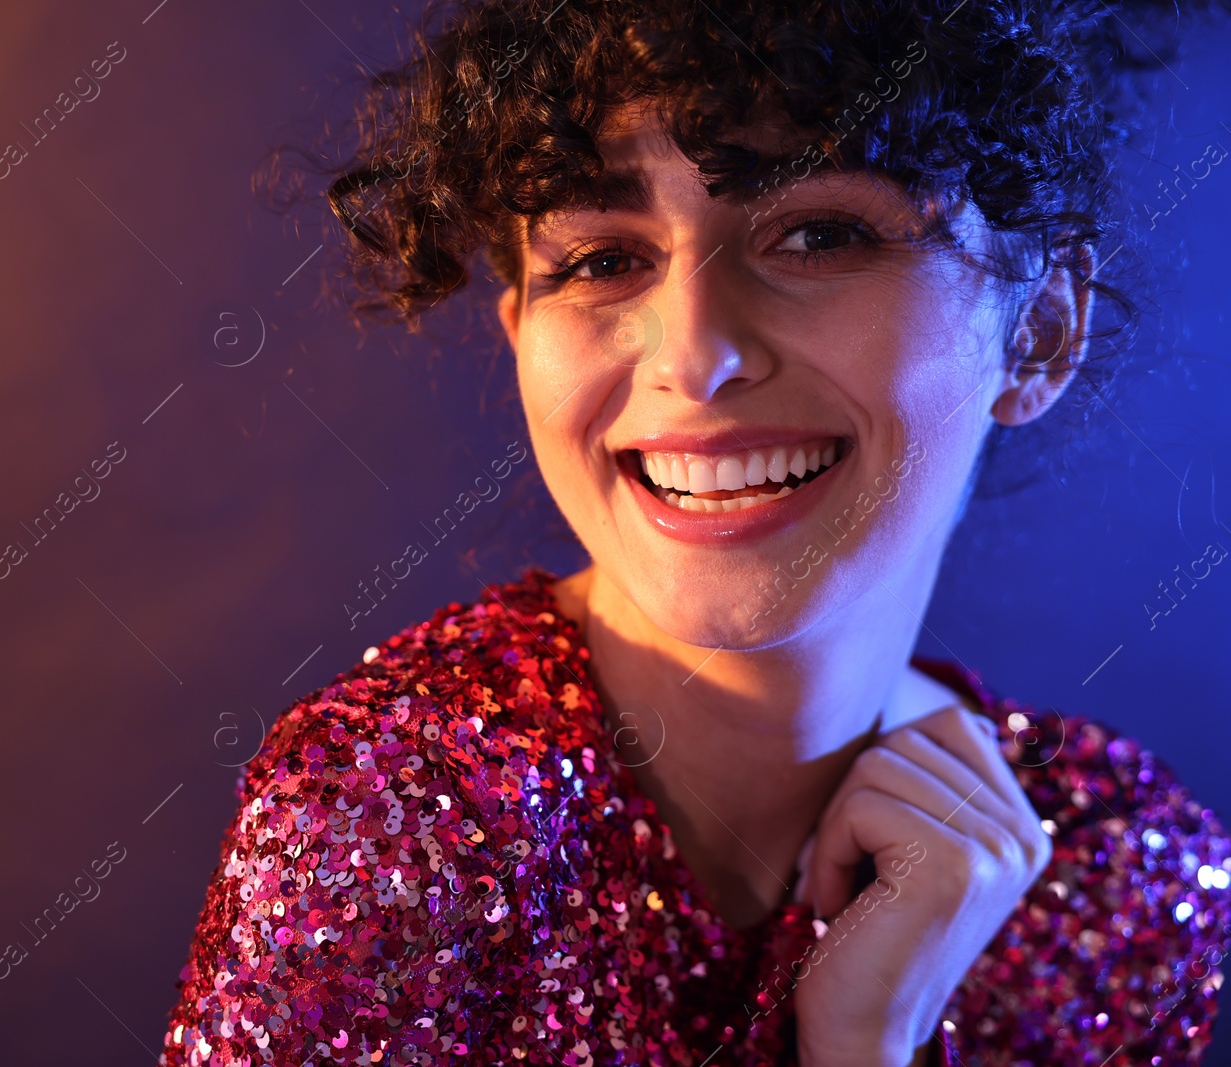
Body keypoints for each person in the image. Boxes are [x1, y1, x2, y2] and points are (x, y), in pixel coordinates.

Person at [158, 0, 1231, 1062]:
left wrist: (868, 1040)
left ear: (1040, 328)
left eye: (818, 234)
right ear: (520, 333)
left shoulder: (1109, 875)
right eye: (601, 260)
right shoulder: (397, 817)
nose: (692, 355)